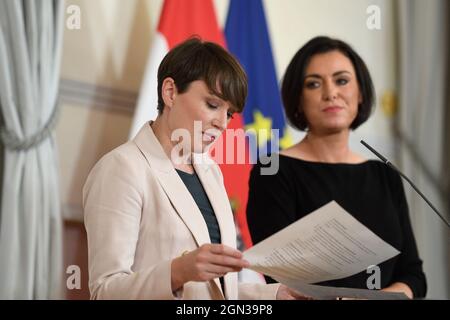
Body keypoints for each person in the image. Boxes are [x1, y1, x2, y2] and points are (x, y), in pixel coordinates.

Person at [83, 38, 301, 300]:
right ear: (170, 92)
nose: (222, 123)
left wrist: (274, 294)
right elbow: (105, 291)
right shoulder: (121, 168)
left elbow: (211, 293)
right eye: (212, 104)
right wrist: (177, 272)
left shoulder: (210, 171)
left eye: (229, 113)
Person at [246, 36, 427, 299]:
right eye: (314, 84)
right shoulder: (272, 171)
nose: (331, 93)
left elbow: (413, 276)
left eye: (341, 80)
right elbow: (281, 279)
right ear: (297, 99)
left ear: (361, 93)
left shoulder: (385, 175)